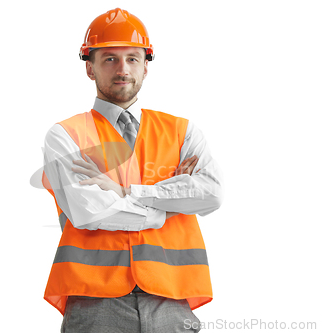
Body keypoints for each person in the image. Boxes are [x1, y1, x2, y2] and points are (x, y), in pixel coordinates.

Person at [41, 8, 224, 333]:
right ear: (89, 67)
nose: (122, 68)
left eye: (132, 58)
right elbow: (89, 211)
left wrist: (126, 192)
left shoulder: (183, 131)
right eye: (109, 58)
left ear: (146, 66)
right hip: (94, 301)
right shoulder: (65, 135)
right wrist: (167, 203)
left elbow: (210, 195)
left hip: (171, 296)